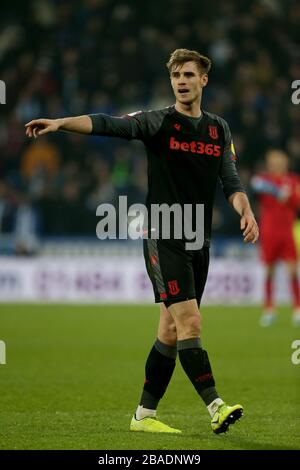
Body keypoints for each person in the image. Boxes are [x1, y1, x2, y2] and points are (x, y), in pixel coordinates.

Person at [25, 49, 259, 434]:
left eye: (188, 74)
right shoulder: (158, 121)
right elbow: (109, 124)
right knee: (191, 321)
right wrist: (62, 122)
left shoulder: (219, 129)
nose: (181, 81)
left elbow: (230, 179)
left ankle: (143, 416)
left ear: (204, 80)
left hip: (198, 238)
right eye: (175, 76)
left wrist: (245, 210)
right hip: (164, 233)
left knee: (169, 330)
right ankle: (216, 406)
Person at [251, 149, 300, 327]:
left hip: (287, 231)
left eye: (280, 162)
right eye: (274, 162)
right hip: (270, 231)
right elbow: (254, 186)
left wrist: (289, 196)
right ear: (270, 164)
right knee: (269, 271)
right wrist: (278, 192)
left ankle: (297, 308)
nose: (277, 165)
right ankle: (269, 309)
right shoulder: (264, 180)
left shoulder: (293, 180)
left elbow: (297, 202)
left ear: (285, 163)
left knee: (293, 271)